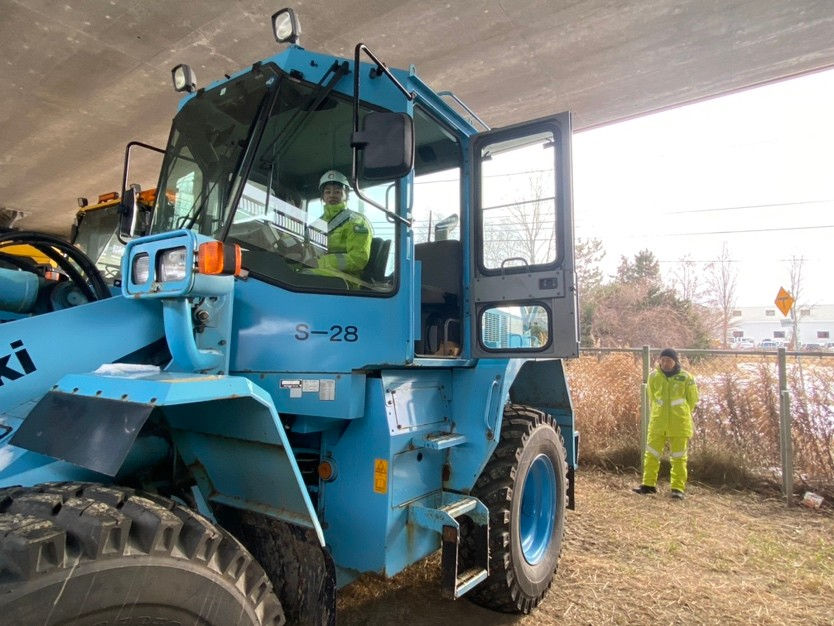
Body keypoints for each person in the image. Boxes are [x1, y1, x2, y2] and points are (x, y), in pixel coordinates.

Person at [633, 348, 699, 499]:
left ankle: (677, 489)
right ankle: (648, 485)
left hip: (679, 424)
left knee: (678, 457)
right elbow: (652, 397)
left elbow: (693, 400)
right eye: (662, 360)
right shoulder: (654, 377)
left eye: (668, 360)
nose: (665, 363)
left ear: (675, 362)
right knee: (651, 454)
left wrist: (680, 413)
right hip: (658, 423)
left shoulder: (686, 378)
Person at [314, 170, 372, 277]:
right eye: (327, 192)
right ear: (322, 196)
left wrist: (321, 262)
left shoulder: (357, 222)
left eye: (337, 191)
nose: (332, 195)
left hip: (346, 281)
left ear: (346, 195)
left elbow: (358, 259)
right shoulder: (316, 224)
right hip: (322, 276)